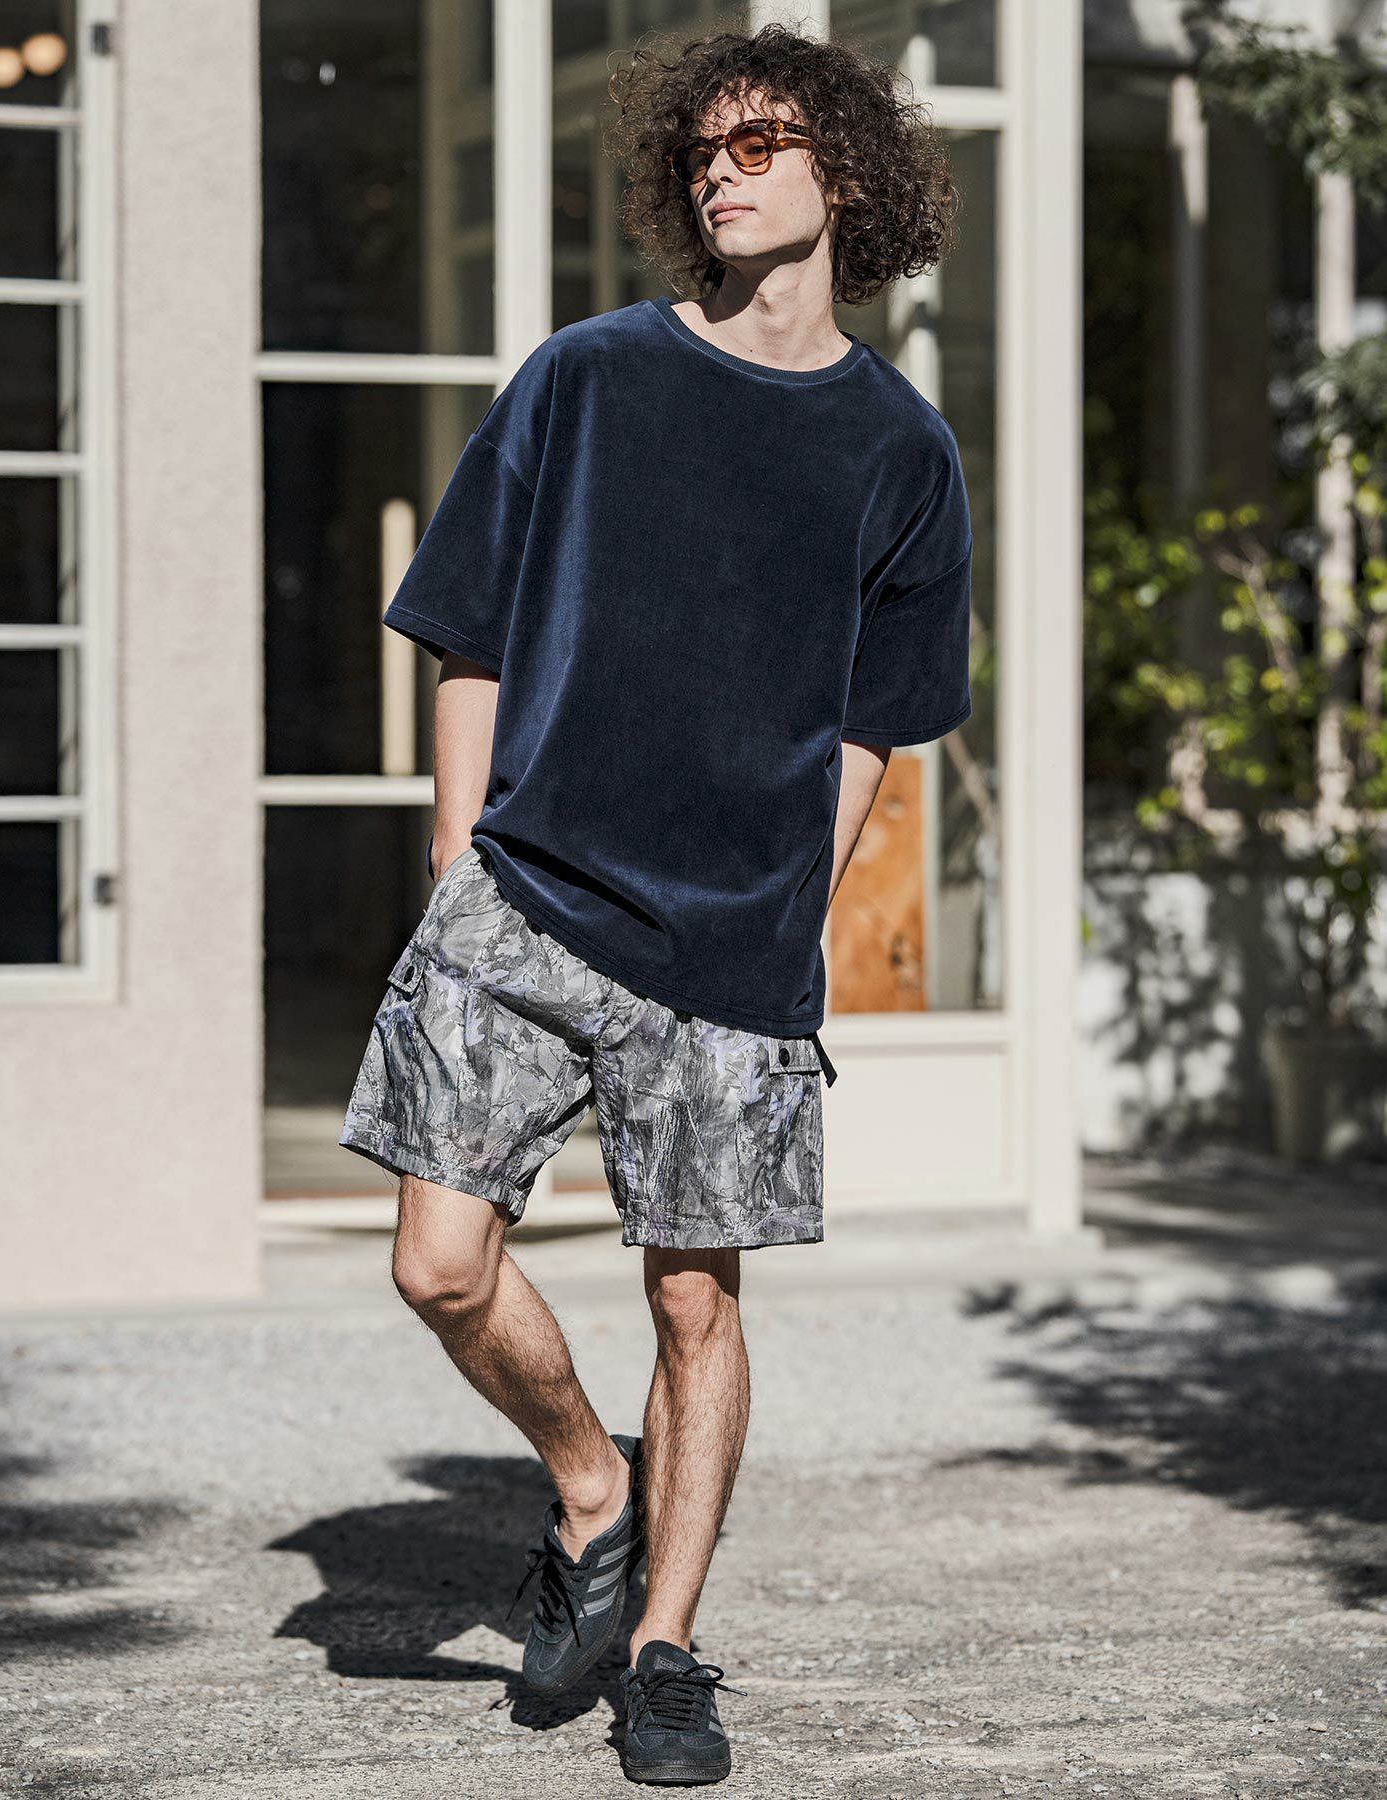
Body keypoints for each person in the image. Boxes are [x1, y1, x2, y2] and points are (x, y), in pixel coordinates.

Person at [339, 18, 971, 1786]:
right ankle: (592, 1489)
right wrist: (458, 851)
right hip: (525, 893)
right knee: (437, 1262)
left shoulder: (902, 451)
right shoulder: (588, 377)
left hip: (728, 946)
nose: (722, 172)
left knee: (696, 1303)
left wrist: (796, 903)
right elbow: (464, 626)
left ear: (847, 175)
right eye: (704, 150)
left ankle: (669, 1649)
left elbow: (877, 726)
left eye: (760, 145)